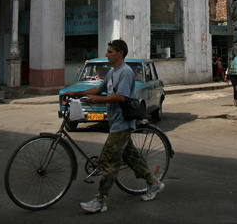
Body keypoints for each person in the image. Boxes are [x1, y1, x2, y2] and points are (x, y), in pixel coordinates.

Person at [62, 39, 165, 213]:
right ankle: (154, 183)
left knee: (109, 162)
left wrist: (99, 100)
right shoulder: (112, 72)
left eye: (110, 52)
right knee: (132, 157)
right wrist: (76, 93)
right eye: (107, 51)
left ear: (120, 53)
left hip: (122, 124)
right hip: (115, 122)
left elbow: (121, 97)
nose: (107, 54)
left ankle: (100, 201)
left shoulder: (125, 73)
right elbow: (97, 89)